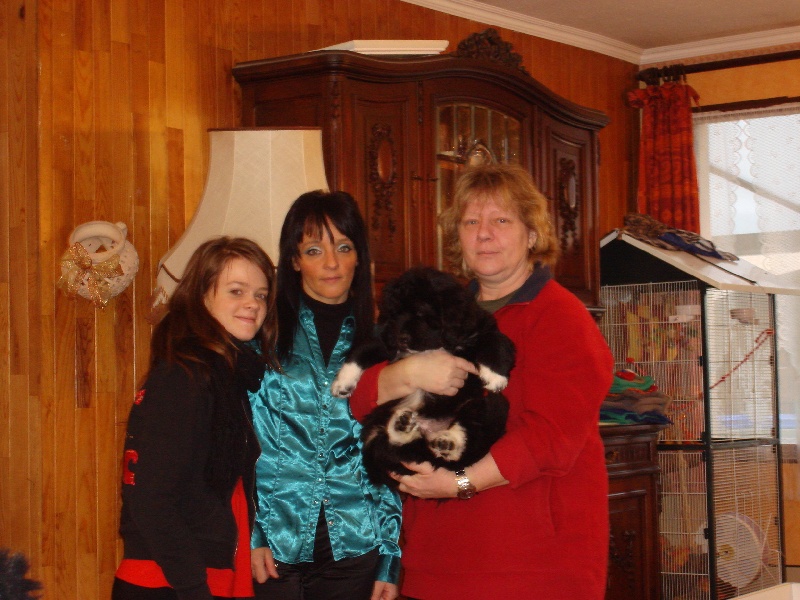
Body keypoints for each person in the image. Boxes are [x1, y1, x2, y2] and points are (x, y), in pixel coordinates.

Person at [349, 163, 615, 599]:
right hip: (436, 558)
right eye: (471, 222)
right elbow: (360, 399)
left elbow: (550, 438)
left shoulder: (561, 317)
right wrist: (405, 373)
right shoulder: (439, 308)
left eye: (501, 220)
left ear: (532, 234)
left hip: (530, 567)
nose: (484, 234)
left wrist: (460, 483)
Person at [248, 190, 402, 600]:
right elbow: (237, 440)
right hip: (271, 543)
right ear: (295, 260)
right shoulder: (262, 333)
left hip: (356, 546)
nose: (331, 263)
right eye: (314, 250)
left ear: (359, 257)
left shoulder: (384, 347)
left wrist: (390, 555)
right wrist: (250, 532)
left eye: (344, 247)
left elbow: (387, 456)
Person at [112, 236, 280, 600]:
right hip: (170, 580)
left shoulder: (223, 374)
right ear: (201, 297)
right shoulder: (184, 376)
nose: (253, 303)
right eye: (236, 291)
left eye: (261, 295)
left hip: (199, 572)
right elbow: (151, 498)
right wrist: (193, 587)